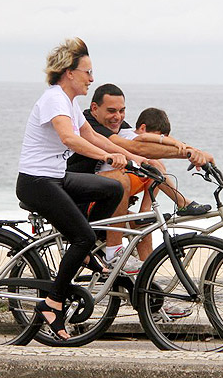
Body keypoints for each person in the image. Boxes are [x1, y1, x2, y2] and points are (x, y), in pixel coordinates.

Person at [15, 38, 145, 341]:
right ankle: (53, 303)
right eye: (87, 72)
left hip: (57, 178)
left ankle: (84, 250)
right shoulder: (54, 99)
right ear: (68, 72)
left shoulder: (70, 103)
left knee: (113, 189)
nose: (91, 78)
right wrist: (107, 156)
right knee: (83, 235)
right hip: (37, 182)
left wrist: (135, 159)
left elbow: (93, 136)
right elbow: (69, 140)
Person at [66, 84, 215, 272]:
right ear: (95, 108)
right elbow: (136, 148)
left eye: (122, 111)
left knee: (143, 225)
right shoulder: (89, 123)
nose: (117, 117)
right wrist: (187, 153)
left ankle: (147, 283)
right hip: (78, 201)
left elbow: (147, 142)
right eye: (111, 111)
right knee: (120, 179)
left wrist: (192, 150)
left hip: (104, 201)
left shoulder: (117, 125)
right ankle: (114, 252)